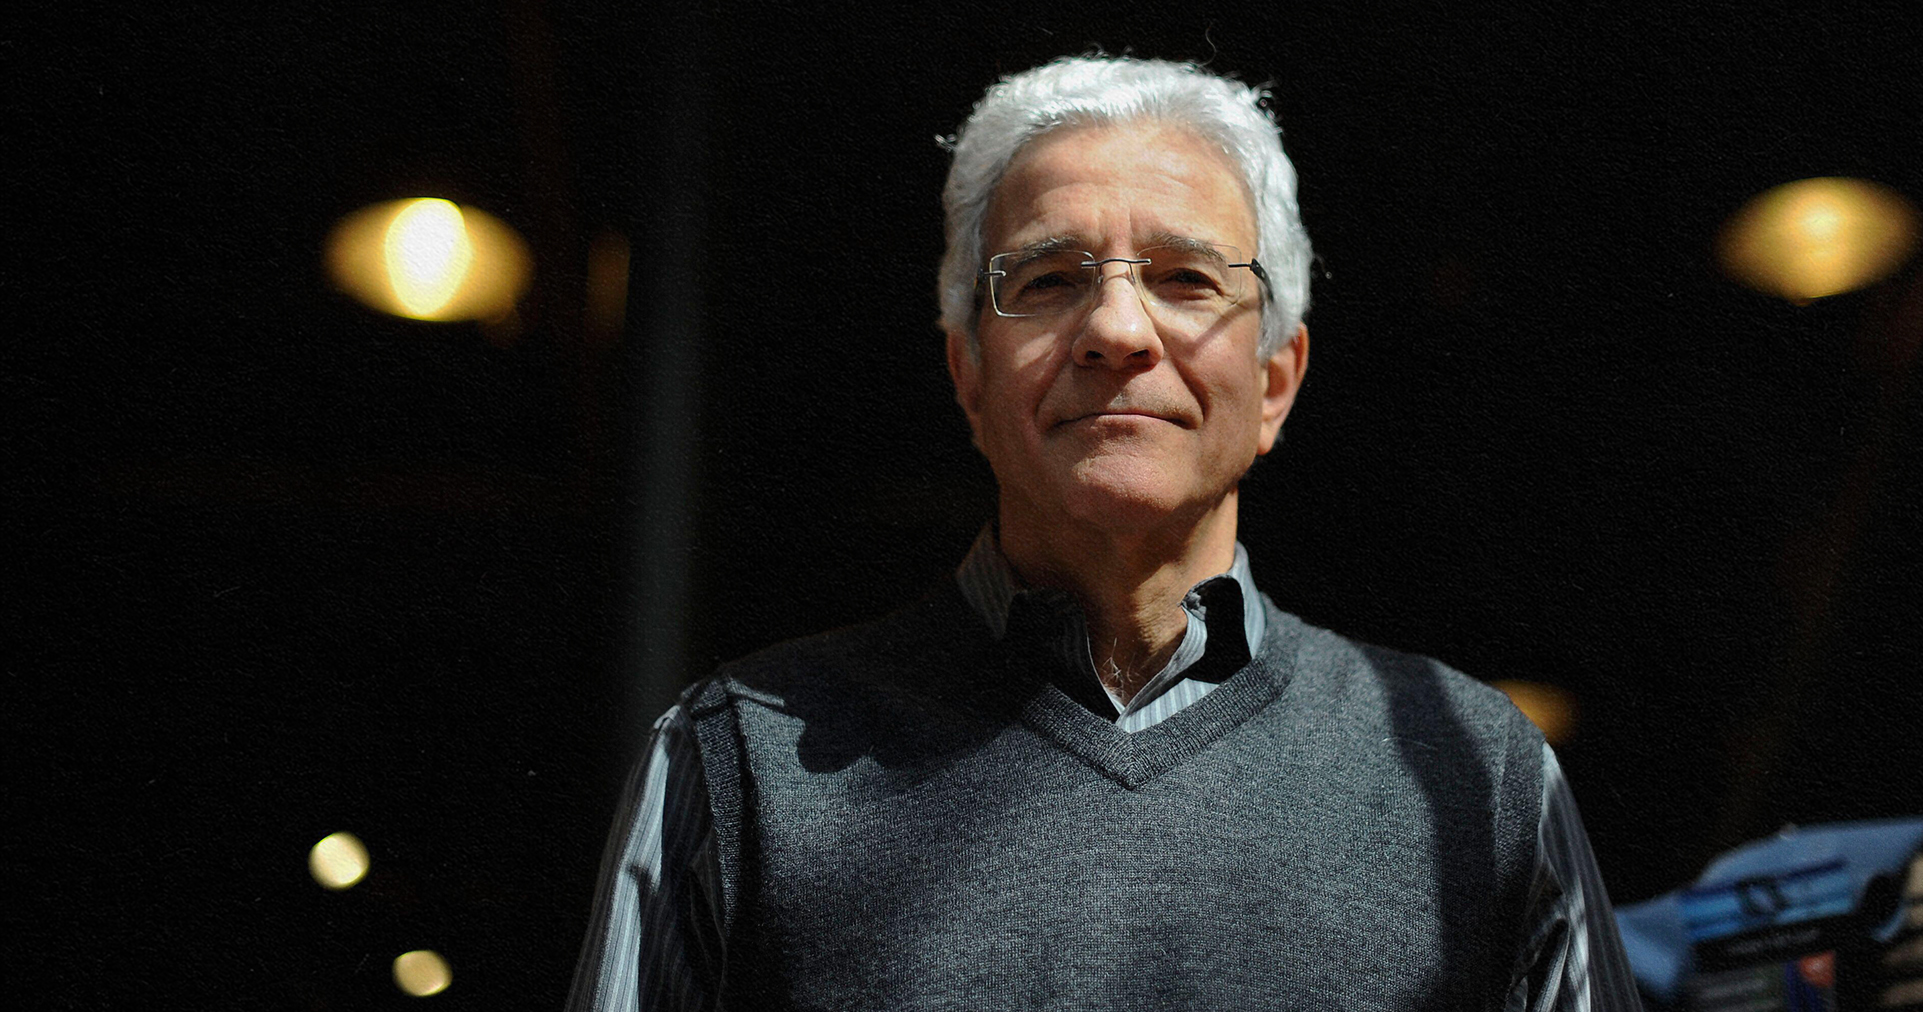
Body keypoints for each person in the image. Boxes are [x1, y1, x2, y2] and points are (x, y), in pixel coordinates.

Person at [567, 57, 1644, 1010]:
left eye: (1187, 279)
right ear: (969, 375)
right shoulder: (736, 762)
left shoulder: (1476, 777)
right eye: (1048, 281)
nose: (1119, 330)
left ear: (1275, 382)